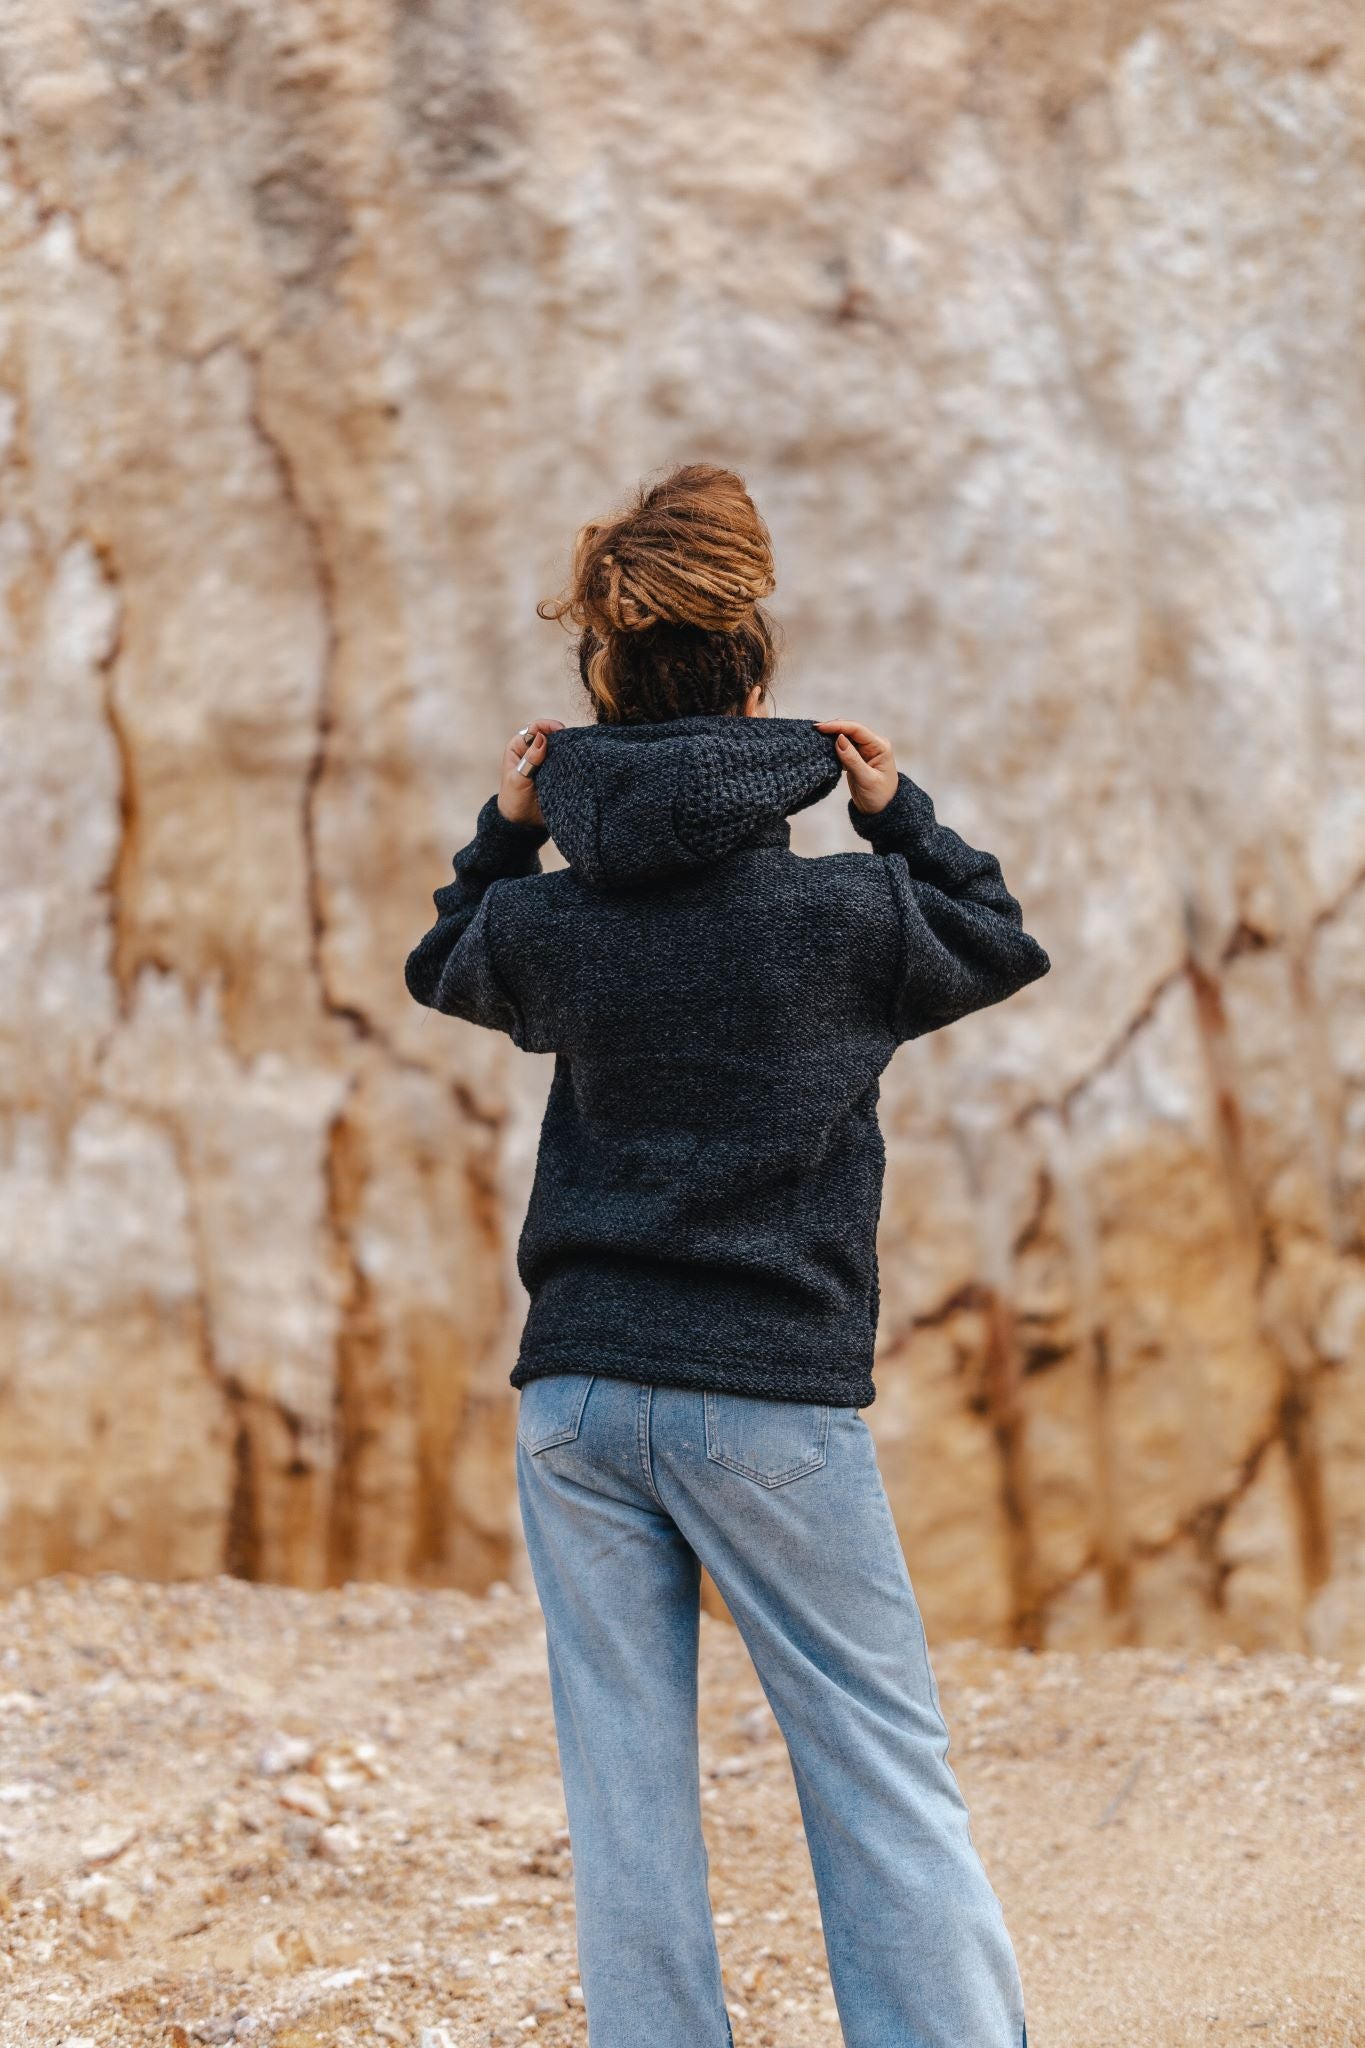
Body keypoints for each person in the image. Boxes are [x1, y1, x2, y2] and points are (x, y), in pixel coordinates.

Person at [405, 464, 1049, 2048]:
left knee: (623, 1792)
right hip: (761, 1400)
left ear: (596, 702)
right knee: (873, 1765)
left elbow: (443, 959)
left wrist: (506, 833)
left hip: (574, 1403)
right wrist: (905, 815)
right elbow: (998, 936)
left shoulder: (549, 928)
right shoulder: (853, 921)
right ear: (757, 687)